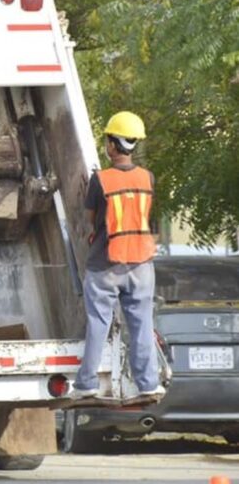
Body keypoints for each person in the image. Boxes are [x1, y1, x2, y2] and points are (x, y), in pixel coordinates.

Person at [70, 111, 165, 400]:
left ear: (113, 145)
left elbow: (90, 218)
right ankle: (148, 385)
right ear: (134, 144)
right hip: (141, 265)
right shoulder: (147, 178)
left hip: (105, 265)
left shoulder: (101, 180)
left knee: (99, 323)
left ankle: (86, 384)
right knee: (141, 324)